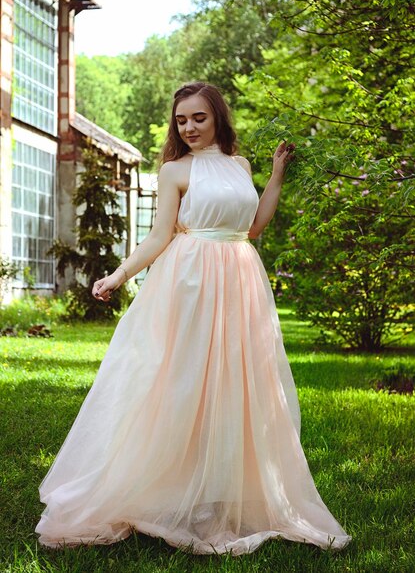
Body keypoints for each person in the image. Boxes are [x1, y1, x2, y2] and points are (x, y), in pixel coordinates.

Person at [36, 81, 352, 555]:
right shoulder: (174, 171)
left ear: (217, 117)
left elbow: (253, 228)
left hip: (241, 281)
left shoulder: (240, 165)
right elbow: (159, 235)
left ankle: (213, 490)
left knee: (235, 385)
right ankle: (168, 488)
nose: (189, 128)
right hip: (193, 282)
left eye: (198, 118)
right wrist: (118, 276)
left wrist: (275, 177)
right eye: (181, 120)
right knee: (184, 381)